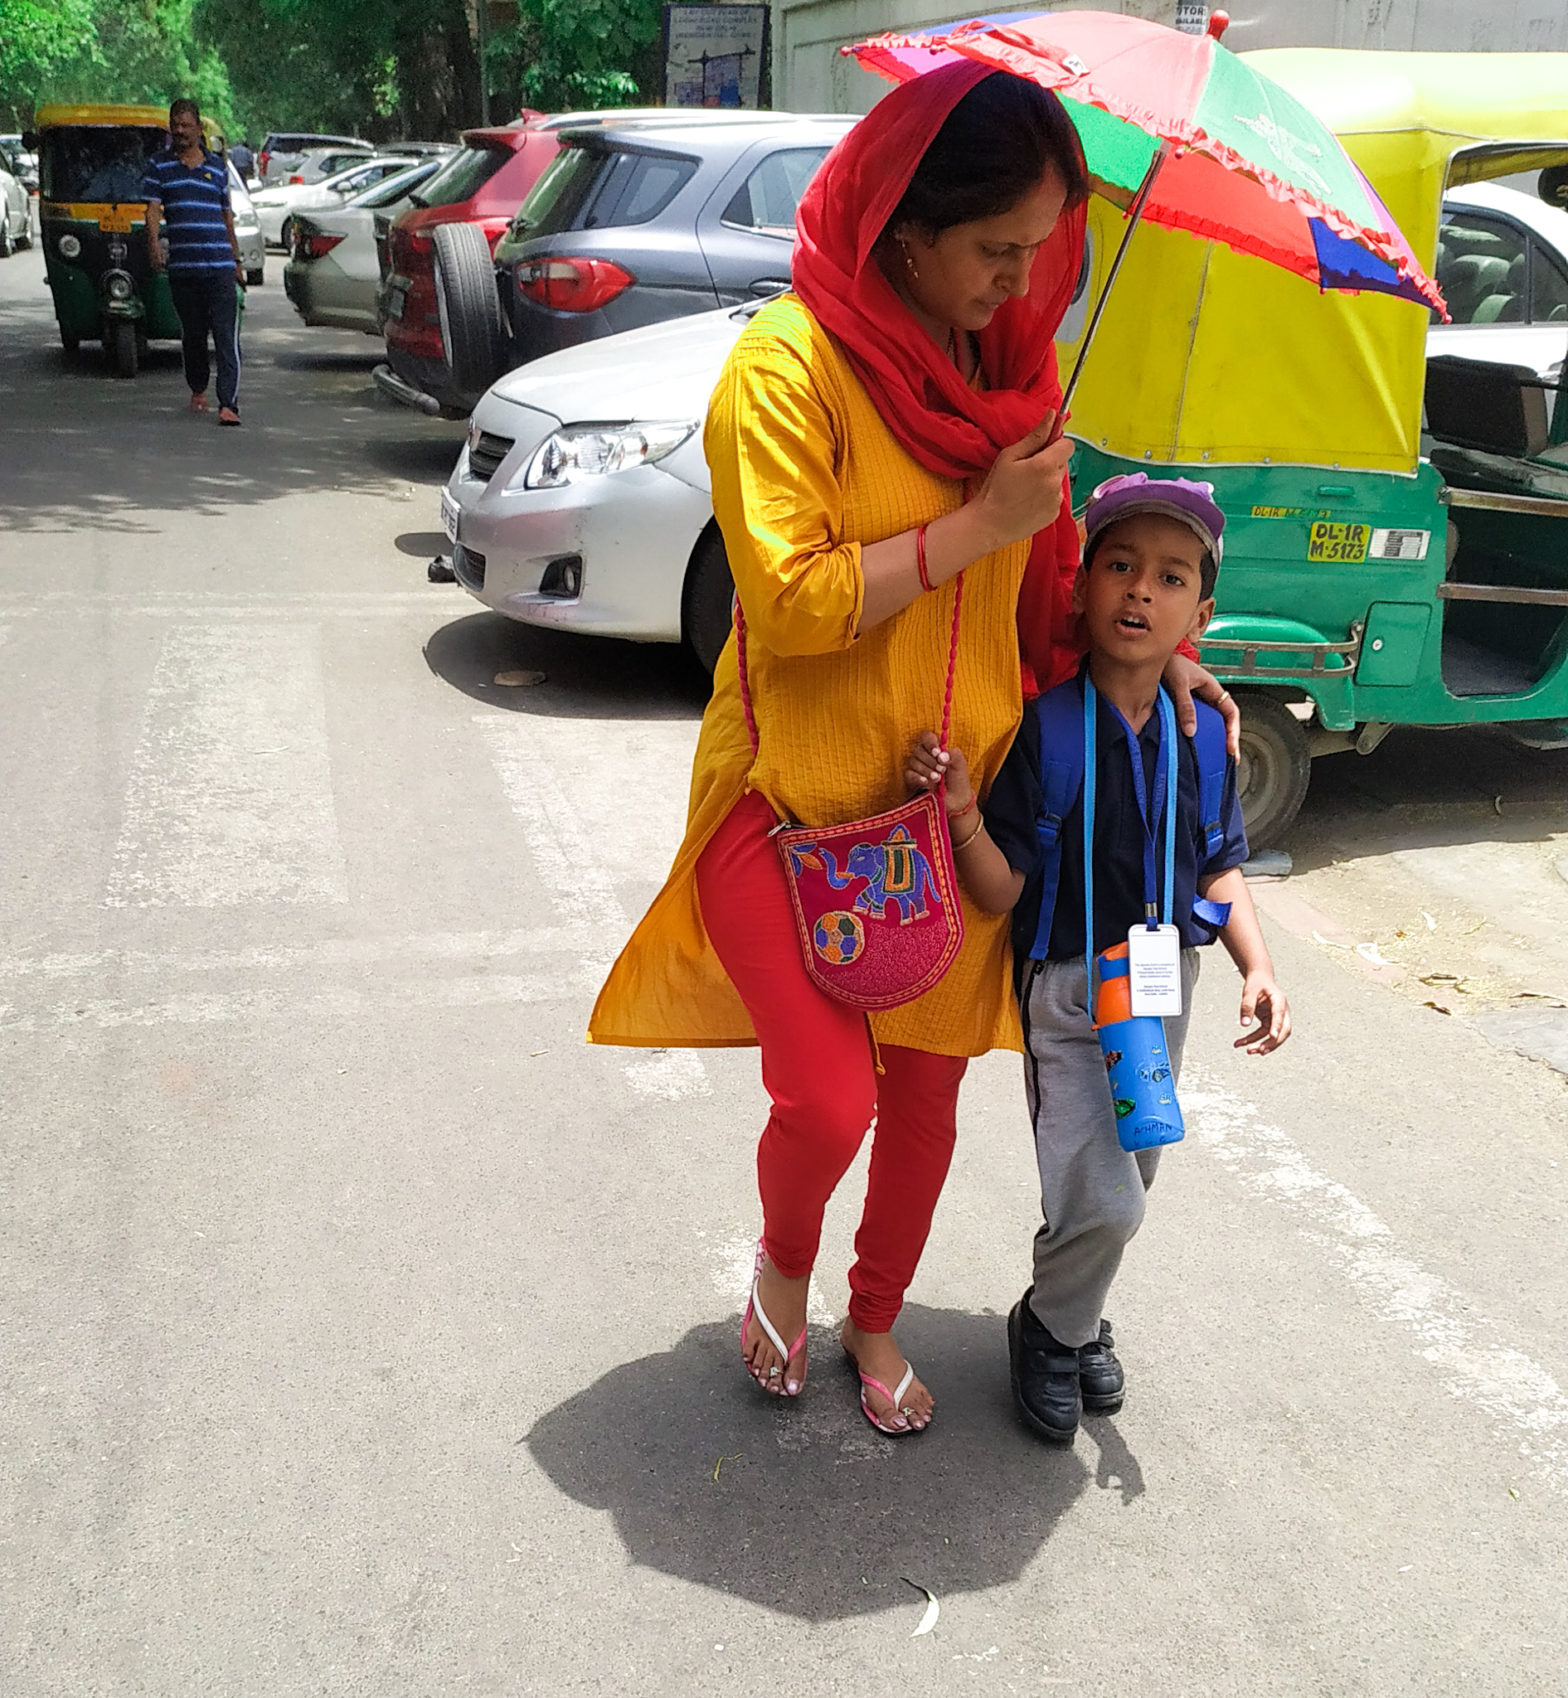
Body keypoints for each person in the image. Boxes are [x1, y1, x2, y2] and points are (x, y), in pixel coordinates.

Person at [588, 63, 1236, 1439]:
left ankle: (873, 1313)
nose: (1024, 280)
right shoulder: (789, 367)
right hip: (792, 810)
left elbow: (1045, 592)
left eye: (1043, 248)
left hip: (953, 833)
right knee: (827, 1100)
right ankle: (781, 1267)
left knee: (927, 1115)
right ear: (906, 227)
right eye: (999, 249)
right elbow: (793, 602)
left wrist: (1151, 649)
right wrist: (974, 525)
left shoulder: (1008, 378)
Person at [904, 473, 1292, 1446]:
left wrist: (1256, 965)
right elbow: (1000, 890)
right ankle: (1048, 1329)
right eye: (1117, 565)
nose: (1137, 591)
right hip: (1068, 994)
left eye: (1168, 577)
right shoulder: (1047, 730)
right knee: (1101, 1192)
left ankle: (1072, 1317)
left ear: (1196, 613)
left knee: (1134, 1169)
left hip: (1164, 988)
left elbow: (1218, 868)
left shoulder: (1202, 739)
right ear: (1079, 587)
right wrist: (957, 815)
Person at [142, 98, 245, 425]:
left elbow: (227, 217)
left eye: (186, 125)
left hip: (219, 267)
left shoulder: (216, 167)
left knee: (226, 336)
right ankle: (198, 386)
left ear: (199, 128)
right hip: (184, 269)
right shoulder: (159, 165)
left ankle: (229, 403)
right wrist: (154, 244)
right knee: (194, 334)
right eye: (176, 125)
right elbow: (153, 210)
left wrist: (236, 258)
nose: (180, 131)